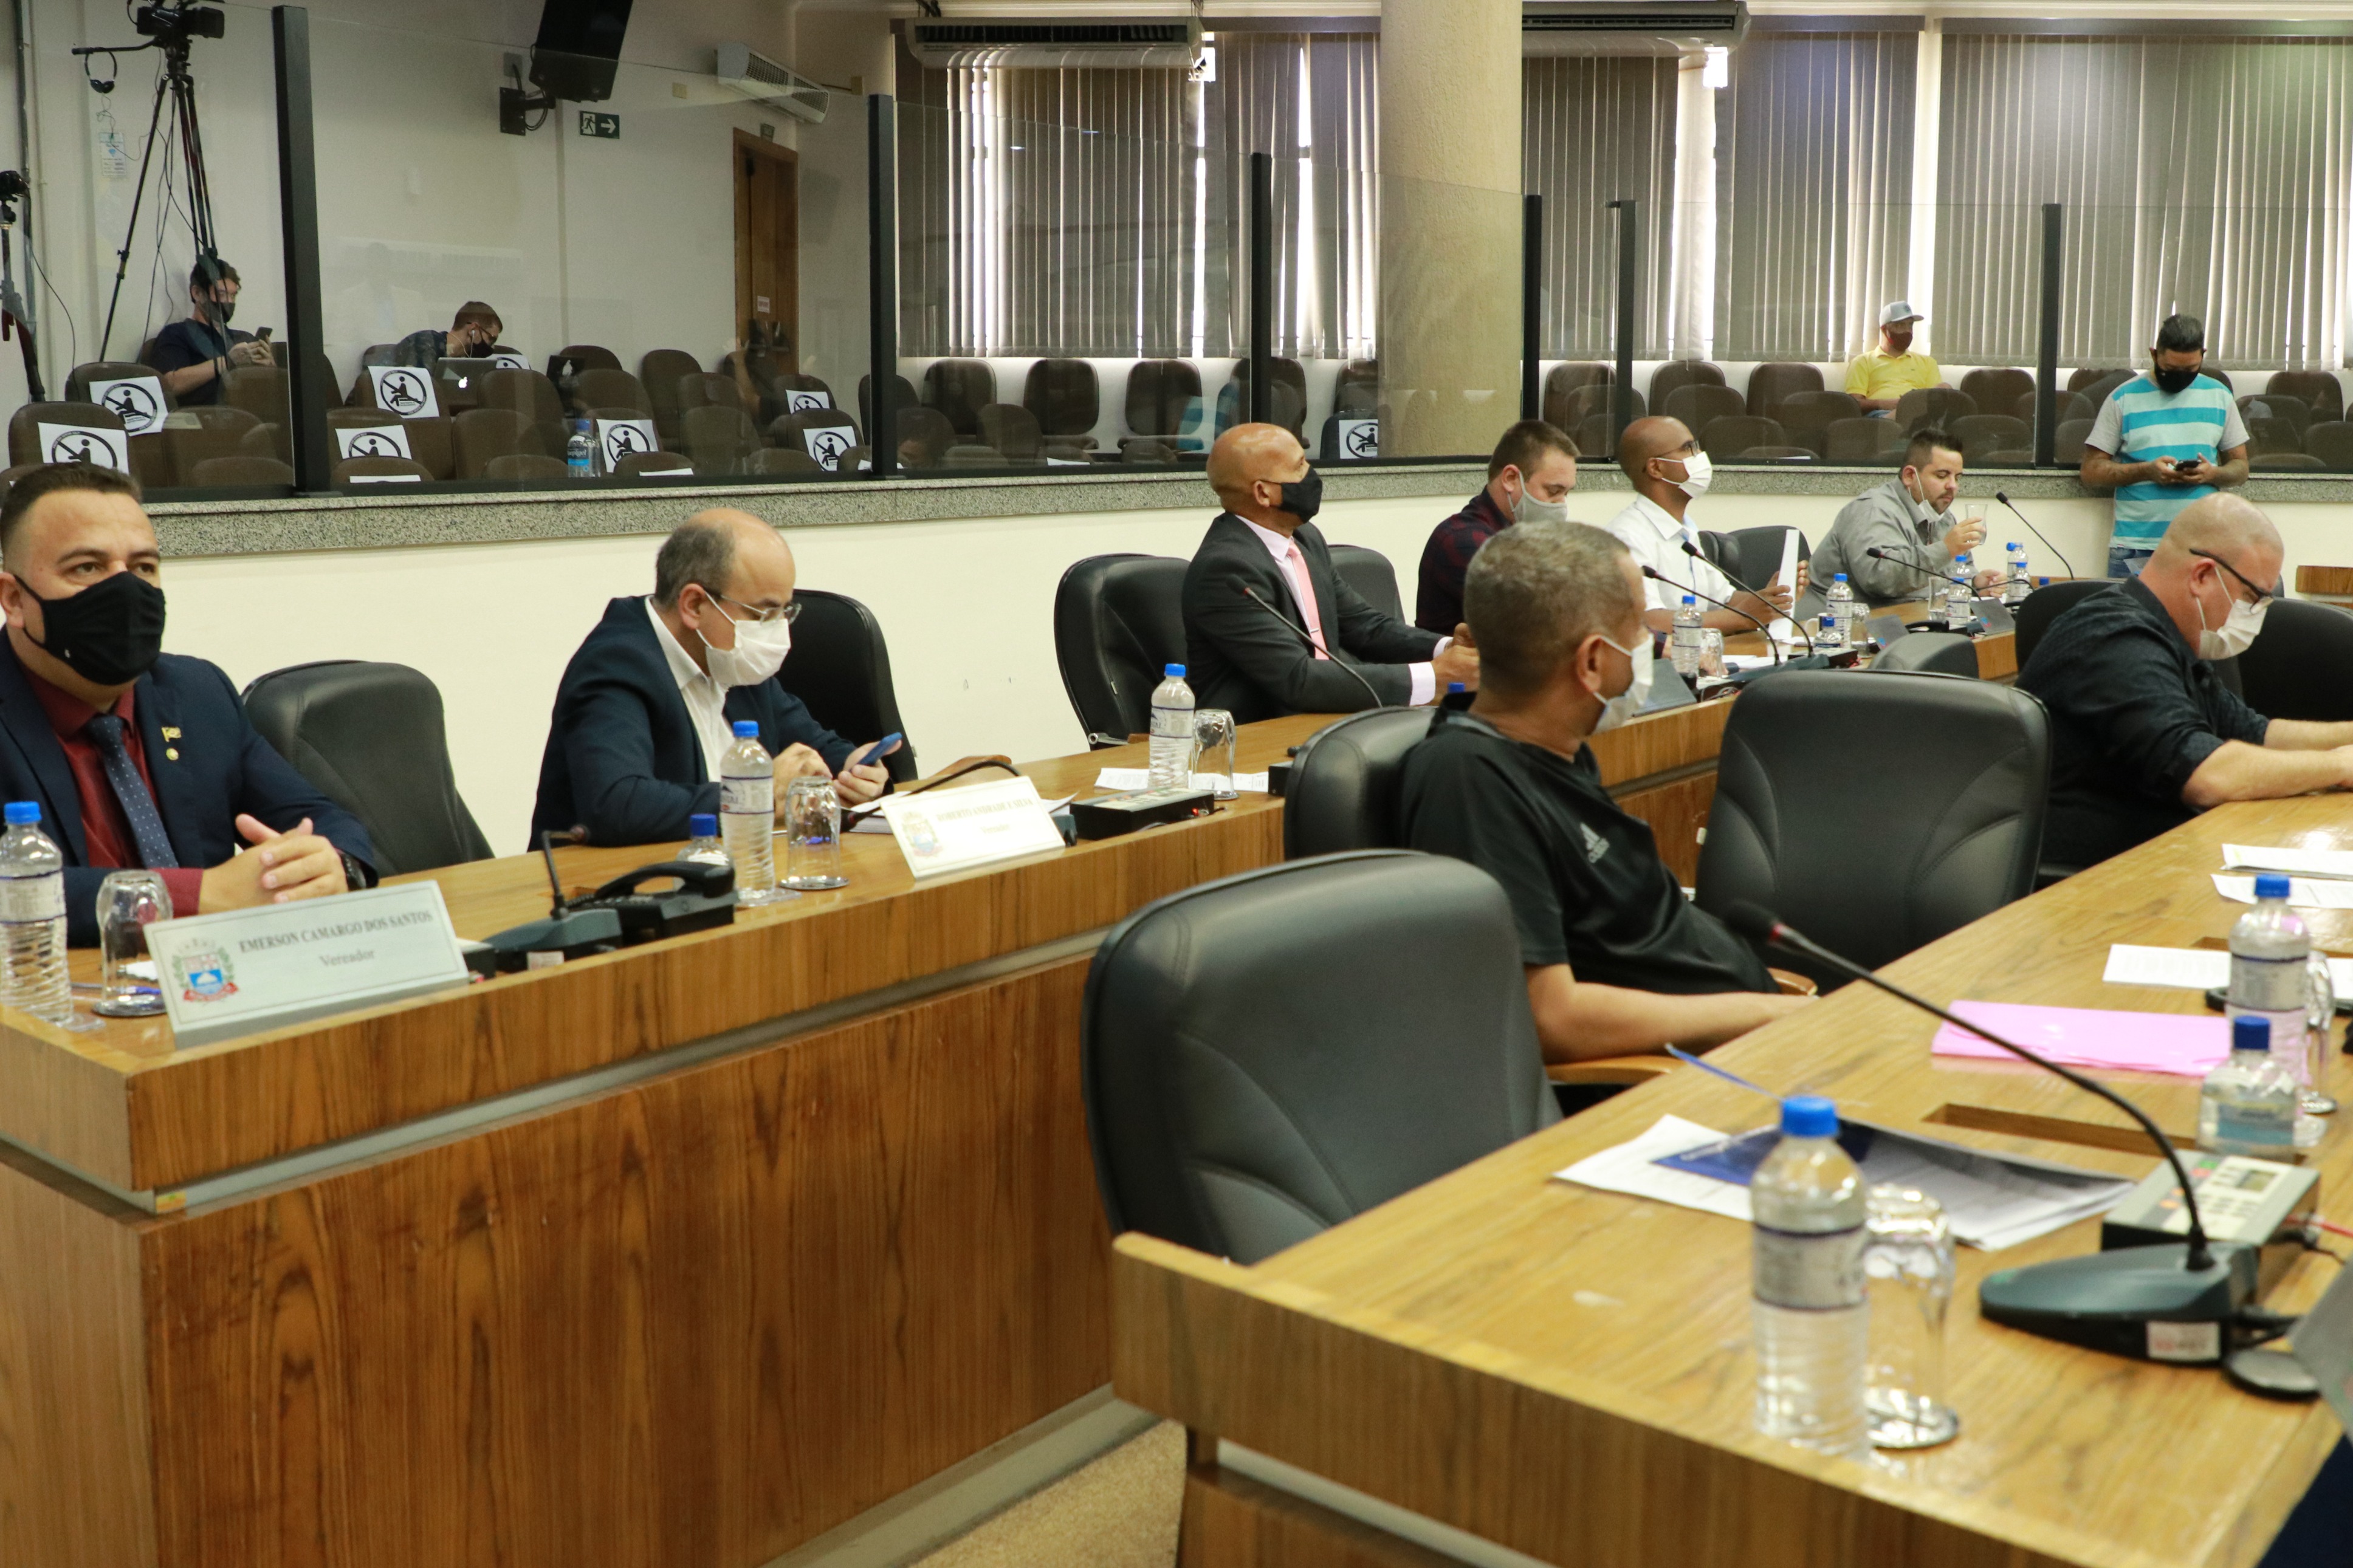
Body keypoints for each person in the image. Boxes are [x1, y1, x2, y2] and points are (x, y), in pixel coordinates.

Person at [1398, 519, 1807, 1062]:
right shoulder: (1471, 779)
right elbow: (1552, 1018)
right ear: (1592, 661)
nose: (1648, 644)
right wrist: (1765, 1016)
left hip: (1751, 1036)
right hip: (1680, 1078)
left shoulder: (1559, 750)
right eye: (1637, 628)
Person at [0, 464, 374, 945]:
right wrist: (193, 894)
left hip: (213, 974)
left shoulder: (197, 691)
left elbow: (325, 821)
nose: (125, 590)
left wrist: (329, 866)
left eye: (143, 567)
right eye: (87, 568)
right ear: (14, 598)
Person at [2017, 495, 2353, 869]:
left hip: (2155, 858)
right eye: (2252, 597)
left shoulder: (2171, 638)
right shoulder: (2114, 637)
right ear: (2202, 576)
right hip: (2086, 880)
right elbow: (2204, 774)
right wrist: (2338, 766)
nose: (2255, 614)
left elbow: (2254, 732)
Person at [530, 509, 893, 849]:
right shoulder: (616, 665)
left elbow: (814, 747)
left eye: (785, 612)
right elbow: (616, 806)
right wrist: (755, 796)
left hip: (732, 866)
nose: (778, 631)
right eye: (763, 614)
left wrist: (855, 770)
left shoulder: (733, 660)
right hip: (610, 883)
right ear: (694, 605)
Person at [1180, 423, 1477, 722]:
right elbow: (1297, 679)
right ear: (1264, 493)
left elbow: (1364, 626)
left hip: (1327, 716)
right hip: (1260, 731)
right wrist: (1433, 677)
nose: (1311, 473)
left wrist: (1447, 648)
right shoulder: (1225, 570)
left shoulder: (1305, 539)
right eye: (1299, 466)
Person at [2080, 314, 2250, 580]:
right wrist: (2146, 471)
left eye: (2190, 369)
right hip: (2136, 548)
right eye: (2170, 369)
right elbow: (2091, 471)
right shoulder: (2123, 398)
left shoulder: (2220, 396)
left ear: (2203, 356)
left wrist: (2212, 474)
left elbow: (2240, 468)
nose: (2180, 377)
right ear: (2154, 355)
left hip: (2203, 548)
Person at [1605, 416, 1798, 633]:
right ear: (1656, 468)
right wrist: (1744, 619)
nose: (1699, 456)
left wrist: (1772, 599)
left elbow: (1725, 600)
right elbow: (1648, 621)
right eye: (1688, 448)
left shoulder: (1685, 530)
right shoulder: (1627, 537)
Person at [1414, 419, 1578, 635]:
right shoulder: (1464, 540)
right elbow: (1542, 620)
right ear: (1510, 478)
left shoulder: (1525, 538)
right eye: (1553, 491)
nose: (1561, 504)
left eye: (1566, 493)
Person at [1809, 427, 1999, 608]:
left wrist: (1975, 583)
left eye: (1957, 478)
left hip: (1909, 616)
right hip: (1841, 618)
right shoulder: (1873, 510)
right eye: (1942, 476)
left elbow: (1957, 567)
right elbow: (1880, 579)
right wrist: (1946, 549)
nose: (1953, 486)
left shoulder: (1942, 515)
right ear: (1909, 476)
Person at [146, 258, 272, 409]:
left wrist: (270, 367)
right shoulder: (177, 333)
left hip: (249, 414)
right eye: (222, 294)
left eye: (233, 296)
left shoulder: (244, 338)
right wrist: (228, 362)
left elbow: (275, 395)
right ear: (197, 293)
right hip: (202, 417)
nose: (229, 302)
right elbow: (169, 385)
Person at [1843, 301, 1947, 415]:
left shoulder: (1927, 362)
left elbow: (1935, 400)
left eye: (1910, 325)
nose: (1907, 331)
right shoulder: (1862, 362)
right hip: (1882, 415)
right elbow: (1854, 404)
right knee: (1902, 415)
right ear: (1884, 330)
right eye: (1900, 325)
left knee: (1945, 388)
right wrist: (1883, 404)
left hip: (1919, 413)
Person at [390, 302, 502, 368]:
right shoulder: (426, 342)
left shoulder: (463, 361)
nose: (492, 346)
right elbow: (421, 388)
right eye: (491, 339)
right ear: (473, 329)